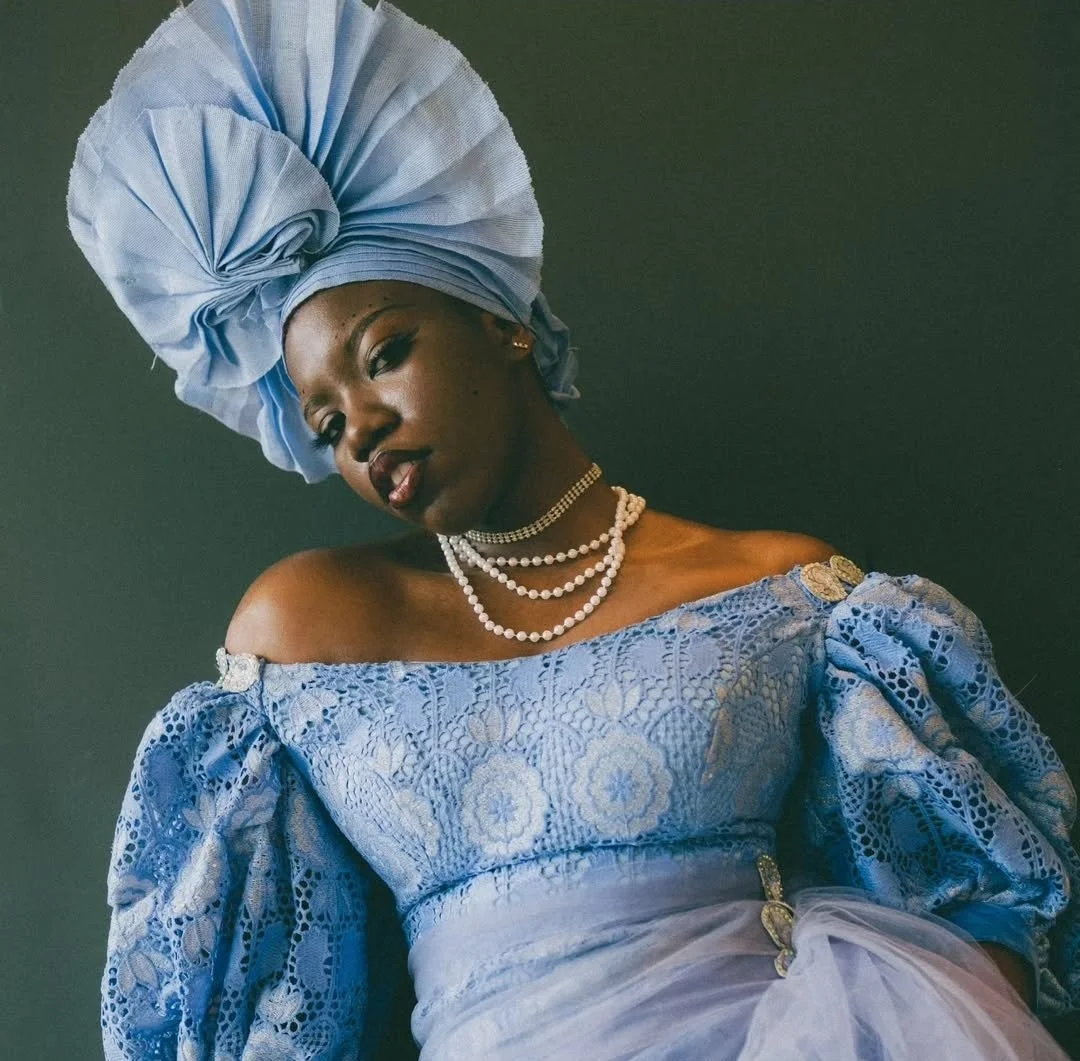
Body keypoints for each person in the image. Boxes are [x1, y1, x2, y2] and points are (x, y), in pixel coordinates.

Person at [70, 1, 1080, 1058]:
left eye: (385, 352)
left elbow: (976, 922)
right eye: (326, 421)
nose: (361, 427)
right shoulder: (307, 630)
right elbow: (259, 1008)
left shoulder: (789, 597)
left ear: (502, 318)